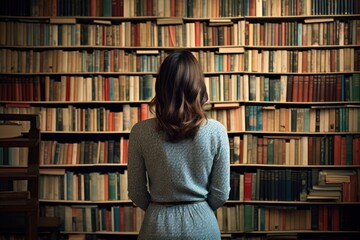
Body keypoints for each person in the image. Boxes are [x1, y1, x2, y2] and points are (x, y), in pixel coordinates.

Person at [127, 50, 230, 239]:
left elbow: (136, 192)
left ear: (161, 86)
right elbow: (221, 194)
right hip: (203, 225)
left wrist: (159, 209)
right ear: (198, 86)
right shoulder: (217, 131)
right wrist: (198, 208)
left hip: (157, 226)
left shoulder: (140, 132)